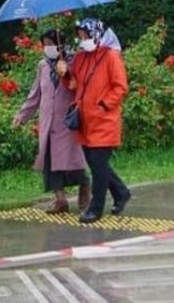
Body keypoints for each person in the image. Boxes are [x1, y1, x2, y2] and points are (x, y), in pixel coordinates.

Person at [12, 29, 89, 214]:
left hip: (67, 121)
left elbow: (83, 86)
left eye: (50, 43)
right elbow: (35, 95)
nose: (47, 48)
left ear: (60, 44)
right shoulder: (43, 66)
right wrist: (21, 116)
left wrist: (69, 74)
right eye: (44, 44)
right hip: (48, 122)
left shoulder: (74, 61)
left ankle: (85, 186)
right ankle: (60, 200)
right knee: (49, 162)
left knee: (72, 160)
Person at [67, 17, 131, 224]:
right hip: (84, 121)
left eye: (85, 35)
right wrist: (63, 73)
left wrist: (103, 104)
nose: (81, 39)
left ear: (96, 34)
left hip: (104, 121)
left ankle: (95, 208)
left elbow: (120, 86)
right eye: (80, 36)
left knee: (98, 164)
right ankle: (121, 193)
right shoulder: (80, 57)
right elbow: (73, 81)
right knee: (96, 164)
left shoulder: (111, 56)